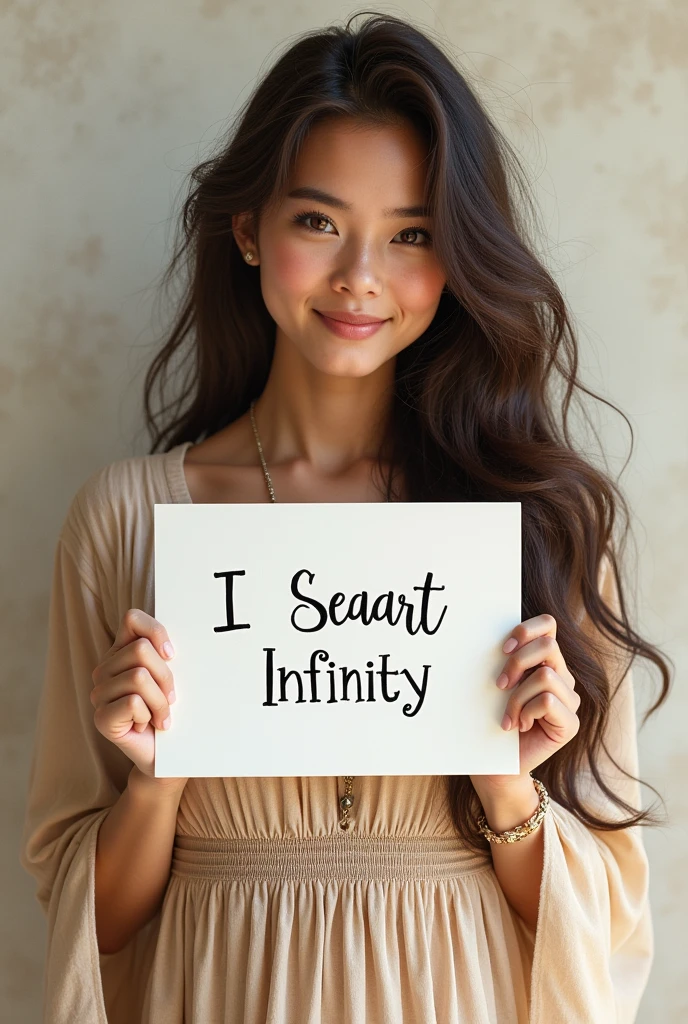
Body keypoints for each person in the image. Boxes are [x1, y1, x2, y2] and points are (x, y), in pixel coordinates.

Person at [20, 11, 670, 1024]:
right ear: (247, 228)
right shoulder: (126, 521)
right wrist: (154, 782)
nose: (360, 273)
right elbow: (90, 931)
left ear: (457, 259)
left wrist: (507, 788)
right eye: (318, 221)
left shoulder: (536, 523)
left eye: (411, 234)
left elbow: (607, 928)